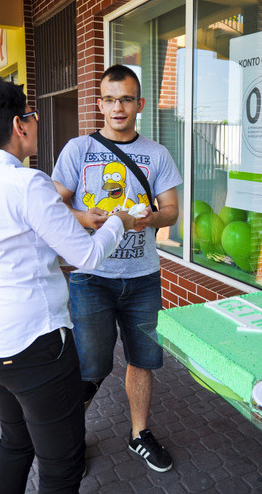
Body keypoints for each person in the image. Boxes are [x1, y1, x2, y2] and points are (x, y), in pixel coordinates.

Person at [0, 76, 135, 493]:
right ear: (19, 125)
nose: (35, 122)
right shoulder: (28, 184)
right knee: (62, 464)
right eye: (31, 115)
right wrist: (120, 219)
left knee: (15, 442)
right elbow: (84, 256)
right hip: (33, 345)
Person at [52, 64, 182, 473]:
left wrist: (152, 221)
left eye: (126, 99)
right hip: (92, 279)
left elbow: (172, 211)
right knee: (90, 367)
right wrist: (85, 219)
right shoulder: (78, 150)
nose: (118, 107)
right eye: (110, 99)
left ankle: (139, 434)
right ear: (99, 104)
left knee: (143, 360)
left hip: (143, 278)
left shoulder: (157, 154)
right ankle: (68, 442)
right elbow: (53, 206)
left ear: (139, 104)